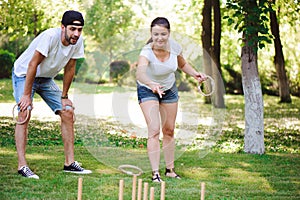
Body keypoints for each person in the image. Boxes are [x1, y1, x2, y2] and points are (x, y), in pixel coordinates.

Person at [12, 10, 92, 179]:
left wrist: (64, 96)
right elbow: (33, 64)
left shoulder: (77, 42)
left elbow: (70, 68)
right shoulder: (50, 37)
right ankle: (22, 166)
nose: (76, 34)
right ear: (62, 27)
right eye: (72, 29)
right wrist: (26, 95)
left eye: (80, 30)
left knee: (68, 111)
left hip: (46, 78)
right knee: (24, 112)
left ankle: (69, 163)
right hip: (24, 74)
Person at [136, 17, 207, 182]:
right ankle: (155, 173)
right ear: (151, 34)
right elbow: (140, 74)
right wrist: (151, 83)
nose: (159, 38)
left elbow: (182, 65)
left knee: (169, 130)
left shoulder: (175, 47)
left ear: (168, 33)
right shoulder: (146, 52)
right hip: (147, 89)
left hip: (168, 89)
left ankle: (170, 170)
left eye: (163, 34)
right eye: (155, 34)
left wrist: (195, 74)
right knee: (154, 129)